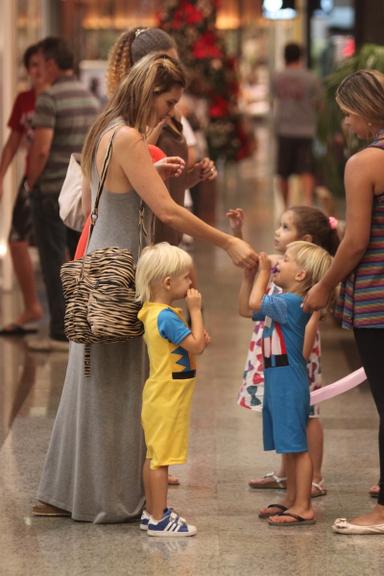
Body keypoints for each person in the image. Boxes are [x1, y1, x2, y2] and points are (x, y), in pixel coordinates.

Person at [32, 52, 257, 523]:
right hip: (125, 269)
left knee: (91, 380)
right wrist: (228, 241)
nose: (169, 112)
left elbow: (118, 189)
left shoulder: (106, 130)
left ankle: (67, 491)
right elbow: (169, 213)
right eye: (168, 102)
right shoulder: (129, 138)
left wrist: (157, 170)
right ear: (151, 93)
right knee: (119, 385)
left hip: (100, 263)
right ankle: (107, 498)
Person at [304, 69, 384, 535]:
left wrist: (324, 285)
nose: (347, 124)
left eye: (350, 113)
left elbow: (355, 241)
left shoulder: (365, 162)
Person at [227, 206, 339, 499]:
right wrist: (242, 246)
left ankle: (308, 486)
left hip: (293, 366)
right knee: (288, 436)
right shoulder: (285, 281)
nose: (277, 232)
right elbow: (248, 287)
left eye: (285, 227)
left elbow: (255, 301)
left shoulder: (295, 297)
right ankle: (290, 489)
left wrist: (262, 273)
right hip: (278, 369)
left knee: (305, 421)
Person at [239, 242, 333, 526]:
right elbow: (245, 308)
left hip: (288, 382)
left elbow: (255, 303)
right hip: (277, 379)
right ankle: (292, 499)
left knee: (296, 446)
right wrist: (249, 276)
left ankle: (303, 506)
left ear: (302, 275)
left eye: (287, 259)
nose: (280, 261)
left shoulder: (291, 303)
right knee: (288, 446)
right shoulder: (283, 301)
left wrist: (264, 272)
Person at [106, 27, 217, 245]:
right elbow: (135, 179)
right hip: (148, 233)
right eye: (167, 62)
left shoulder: (170, 114)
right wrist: (226, 241)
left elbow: (166, 179)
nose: (175, 69)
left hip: (170, 229)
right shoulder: (129, 124)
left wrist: (192, 176)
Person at [26, 37, 99, 352]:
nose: (40, 69)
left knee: (53, 261)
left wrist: (31, 181)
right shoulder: (90, 99)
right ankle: (81, 326)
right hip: (79, 193)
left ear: (53, 63)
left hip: (52, 190)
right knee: (78, 260)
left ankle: (58, 331)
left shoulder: (49, 98)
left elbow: (41, 149)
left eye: (42, 63)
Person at [136, 243, 208, 537]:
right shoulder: (167, 316)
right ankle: (159, 518)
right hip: (168, 397)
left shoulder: (156, 312)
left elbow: (187, 344)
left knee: (154, 456)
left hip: (161, 394)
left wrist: (195, 333)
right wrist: (196, 310)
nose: (191, 283)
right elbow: (198, 346)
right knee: (161, 459)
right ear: (168, 283)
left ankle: (151, 512)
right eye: (186, 278)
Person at [0, 44, 46, 334]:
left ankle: (72, 311)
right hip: (30, 178)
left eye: (41, 64)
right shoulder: (24, 99)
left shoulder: (59, 96)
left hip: (57, 180)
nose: (36, 71)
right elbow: (14, 140)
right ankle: (32, 306)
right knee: (16, 241)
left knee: (64, 248)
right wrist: (2, 174)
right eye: (32, 65)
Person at [271, 43, 323, 207]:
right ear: (301, 57)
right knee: (306, 169)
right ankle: (307, 202)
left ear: (284, 56)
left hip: (284, 129)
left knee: (283, 172)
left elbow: (273, 100)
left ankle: (285, 206)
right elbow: (319, 104)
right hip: (306, 129)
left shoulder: (276, 77)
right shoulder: (311, 77)